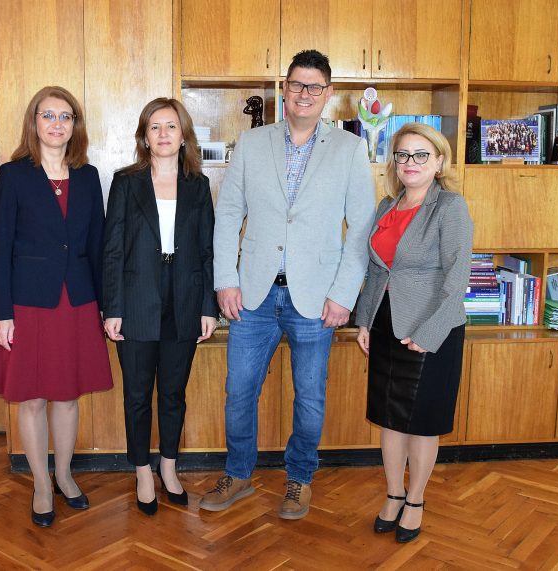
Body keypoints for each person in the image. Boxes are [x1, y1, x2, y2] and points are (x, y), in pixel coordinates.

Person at [201, 50, 375, 520]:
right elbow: (228, 215)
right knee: (239, 392)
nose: (305, 94)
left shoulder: (349, 149)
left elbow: (361, 228)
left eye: (315, 87)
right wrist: (225, 280)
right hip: (252, 294)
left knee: (310, 397)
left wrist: (344, 294)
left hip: (317, 298)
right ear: (285, 89)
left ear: (328, 94)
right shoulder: (252, 142)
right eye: (297, 84)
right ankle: (238, 475)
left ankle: (300, 479)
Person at [0, 86, 113, 528]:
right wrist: (2, 313)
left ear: (75, 125)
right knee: (33, 397)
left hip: (78, 301)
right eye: (48, 115)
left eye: (65, 116)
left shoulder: (89, 176)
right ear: (34, 122)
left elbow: (98, 246)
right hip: (29, 303)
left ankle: (64, 475)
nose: (57, 124)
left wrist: (104, 306)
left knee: (68, 396)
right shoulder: (13, 175)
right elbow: (1, 248)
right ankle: (40, 483)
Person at [355, 122, 473, 543]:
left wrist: (430, 332)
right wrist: (364, 321)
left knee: (422, 423)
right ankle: (393, 495)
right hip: (386, 324)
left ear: (438, 162)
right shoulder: (387, 206)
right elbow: (376, 271)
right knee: (390, 418)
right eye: (403, 154)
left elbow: (458, 278)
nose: (411, 162)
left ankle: (416, 501)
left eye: (421, 155)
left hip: (431, 329)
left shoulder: (449, 207)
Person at [102, 98, 217, 516]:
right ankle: (142, 472)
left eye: (171, 126)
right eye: (155, 127)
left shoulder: (198, 185)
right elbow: (112, 250)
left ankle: (168, 466)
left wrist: (208, 306)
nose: (163, 134)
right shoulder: (126, 182)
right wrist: (112, 308)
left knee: (172, 393)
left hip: (184, 300)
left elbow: (207, 249)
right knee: (137, 395)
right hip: (136, 301)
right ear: (144, 137)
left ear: (183, 135)